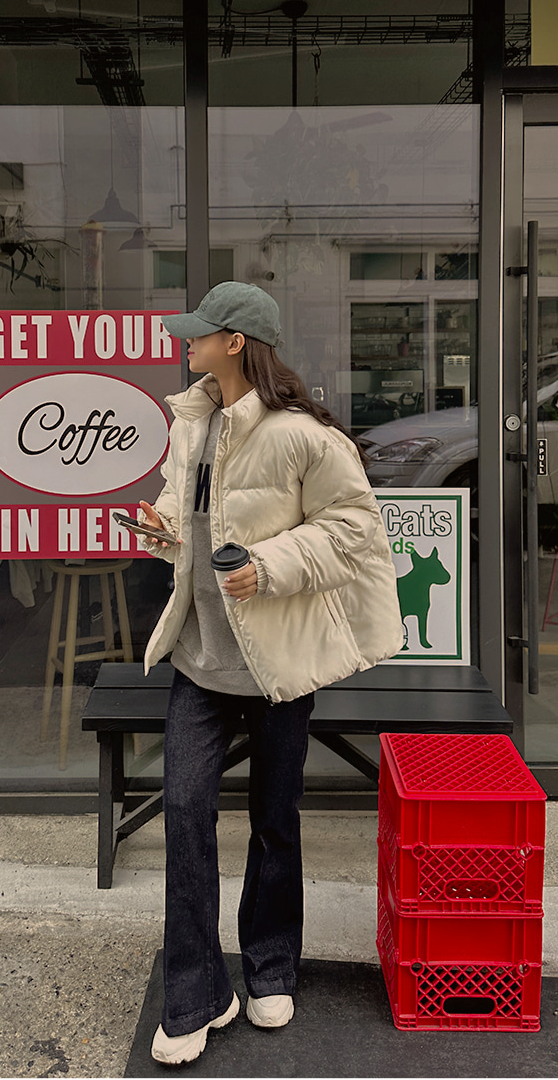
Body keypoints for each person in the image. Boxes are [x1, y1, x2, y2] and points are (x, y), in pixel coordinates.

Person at [138, 282, 402, 1065]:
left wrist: (270, 564)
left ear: (234, 342)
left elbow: (356, 526)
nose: (186, 342)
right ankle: (196, 993)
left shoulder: (299, 436)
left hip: (276, 666)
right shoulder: (193, 424)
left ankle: (270, 965)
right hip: (201, 661)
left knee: (274, 819)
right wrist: (160, 529)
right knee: (184, 815)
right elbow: (185, 520)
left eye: (200, 333)